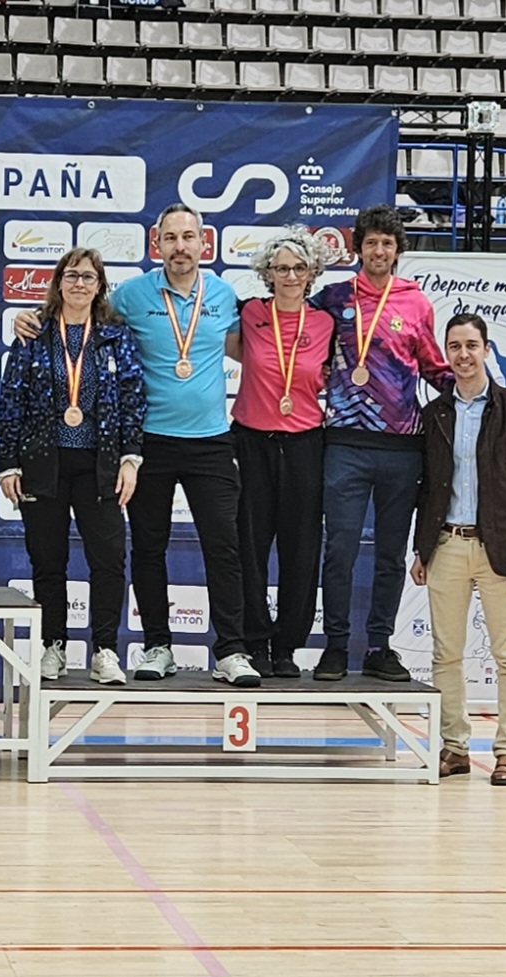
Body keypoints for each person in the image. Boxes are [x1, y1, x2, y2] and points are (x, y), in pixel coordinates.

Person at [15, 204, 257, 686]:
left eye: (189, 237)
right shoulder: (131, 295)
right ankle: (157, 646)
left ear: (204, 243)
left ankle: (231, 651)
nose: (180, 246)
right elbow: (80, 319)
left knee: (224, 548)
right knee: (149, 548)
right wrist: (31, 320)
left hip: (211, 440)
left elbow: (251, 351)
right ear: (157, 244)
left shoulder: (227, 297)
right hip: (150, 443)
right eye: (171, 238)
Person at [311, 204, 450, 681]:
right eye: (371, 242)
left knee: (391, 552)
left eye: (387, 243)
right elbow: (297, 342)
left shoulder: (416, 302)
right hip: (344, 444)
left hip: (401, 446)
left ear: (397, 250)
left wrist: (475, 390)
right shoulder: (330, 298)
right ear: (358, 248)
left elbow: (433, 365)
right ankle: (334, 645)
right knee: (341, 549)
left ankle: (379, 645)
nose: (379, 250)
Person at [0, 248, 145, 684]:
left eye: (89, 277)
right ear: (58, 282)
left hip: (99, 465)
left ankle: (104, 650)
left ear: (100, 286)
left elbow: (133, 399)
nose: (80, 283)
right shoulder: (33, 332)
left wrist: (130, 459)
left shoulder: (116, 336)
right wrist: (8, 464)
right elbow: (12, 399)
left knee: (109, 559)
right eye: (71, 275)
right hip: (44, 463)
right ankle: (53, 647)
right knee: (48, 560)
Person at [410, 313, 506, 787]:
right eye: (454, 347)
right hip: (446, 544)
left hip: (502, 551)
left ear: (487, 349)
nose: (463, 355)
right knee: (446, 654)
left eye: (471, 345)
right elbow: (427, 488)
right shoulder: (434, 414)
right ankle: (454, 747)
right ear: (446, 355)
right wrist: (421, 549)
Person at [225, 229, 334, 679]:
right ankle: (254, 643)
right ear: (266, 274)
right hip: (251, 441)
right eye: (281, 267)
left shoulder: (327, 322)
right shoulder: (249, 313)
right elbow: (230, 349)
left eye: (298, 268)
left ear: (312, 274)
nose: (290, 275)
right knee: (249, 548)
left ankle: (287, 646)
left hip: (306, 443)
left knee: (300, 550)